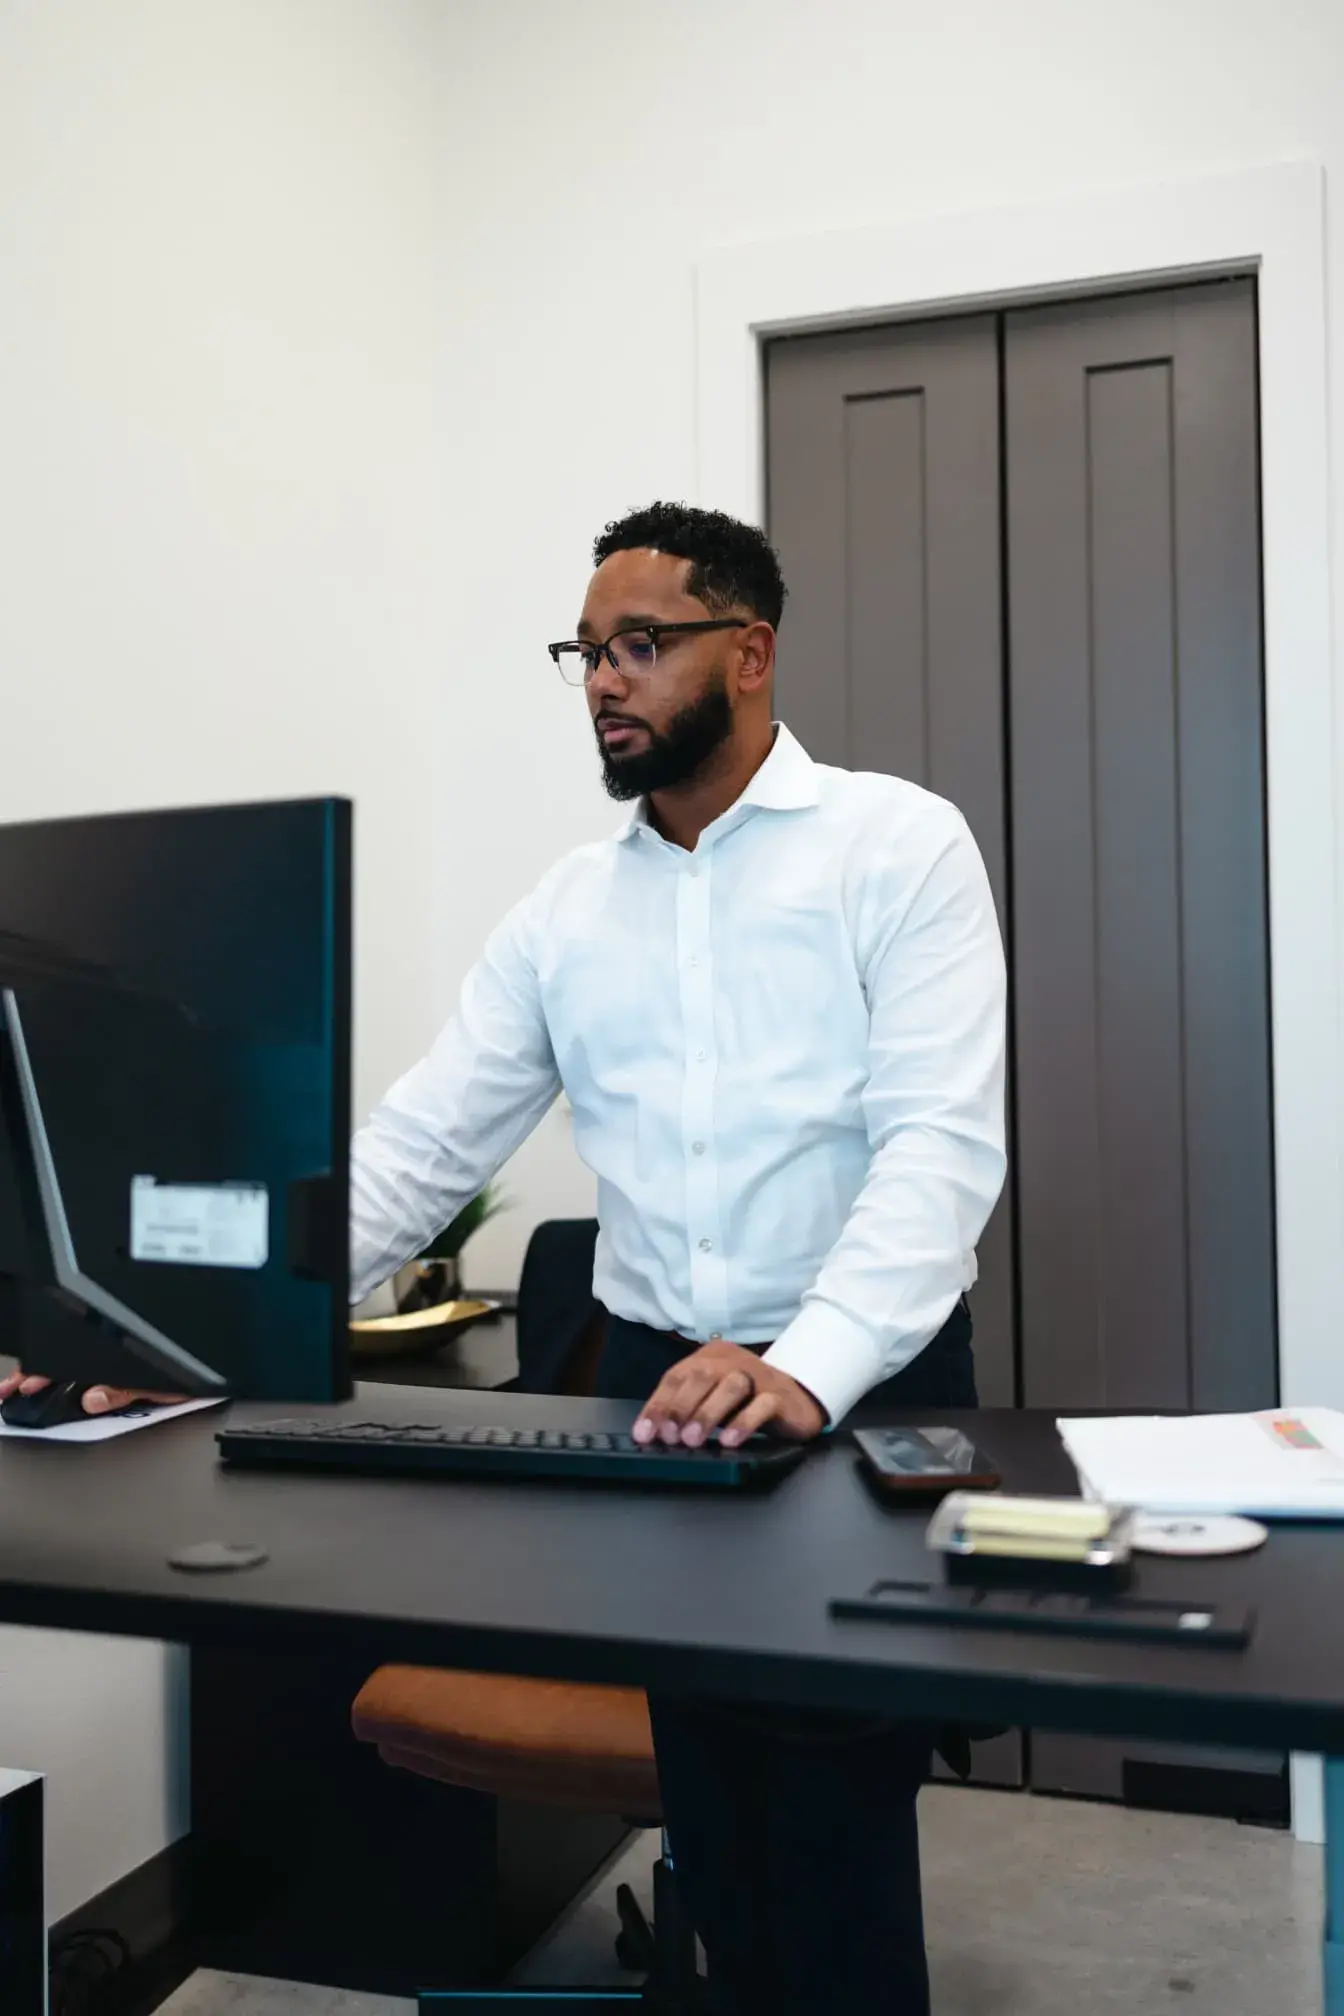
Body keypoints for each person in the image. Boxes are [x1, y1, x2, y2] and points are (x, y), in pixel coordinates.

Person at [2, 502, 1006, 2015]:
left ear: (750, 651)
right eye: (587, 651)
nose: (605, 679)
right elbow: (412, 1160)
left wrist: (802, 1370)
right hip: (666, 1392)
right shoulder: (567, 914)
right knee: (720, 1807)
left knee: (836, 1830)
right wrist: (162, 1328)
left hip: (852, 1387)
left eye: (642, 645)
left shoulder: (898, 845)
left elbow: (939, 1153)